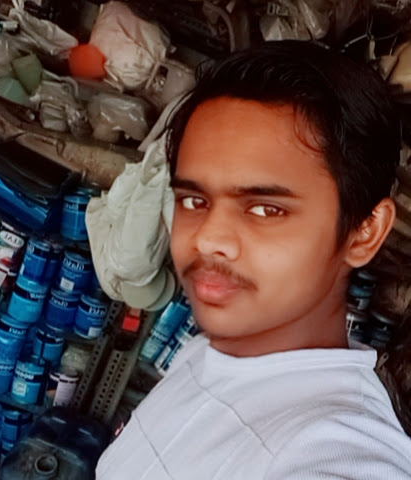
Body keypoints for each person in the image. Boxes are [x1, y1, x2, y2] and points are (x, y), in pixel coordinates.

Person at [96, 40, 411, 479]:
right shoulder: (207, 352)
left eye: (266, 209)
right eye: (195, 200)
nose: (208, 239)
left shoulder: (339, 446)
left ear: (365, 232)